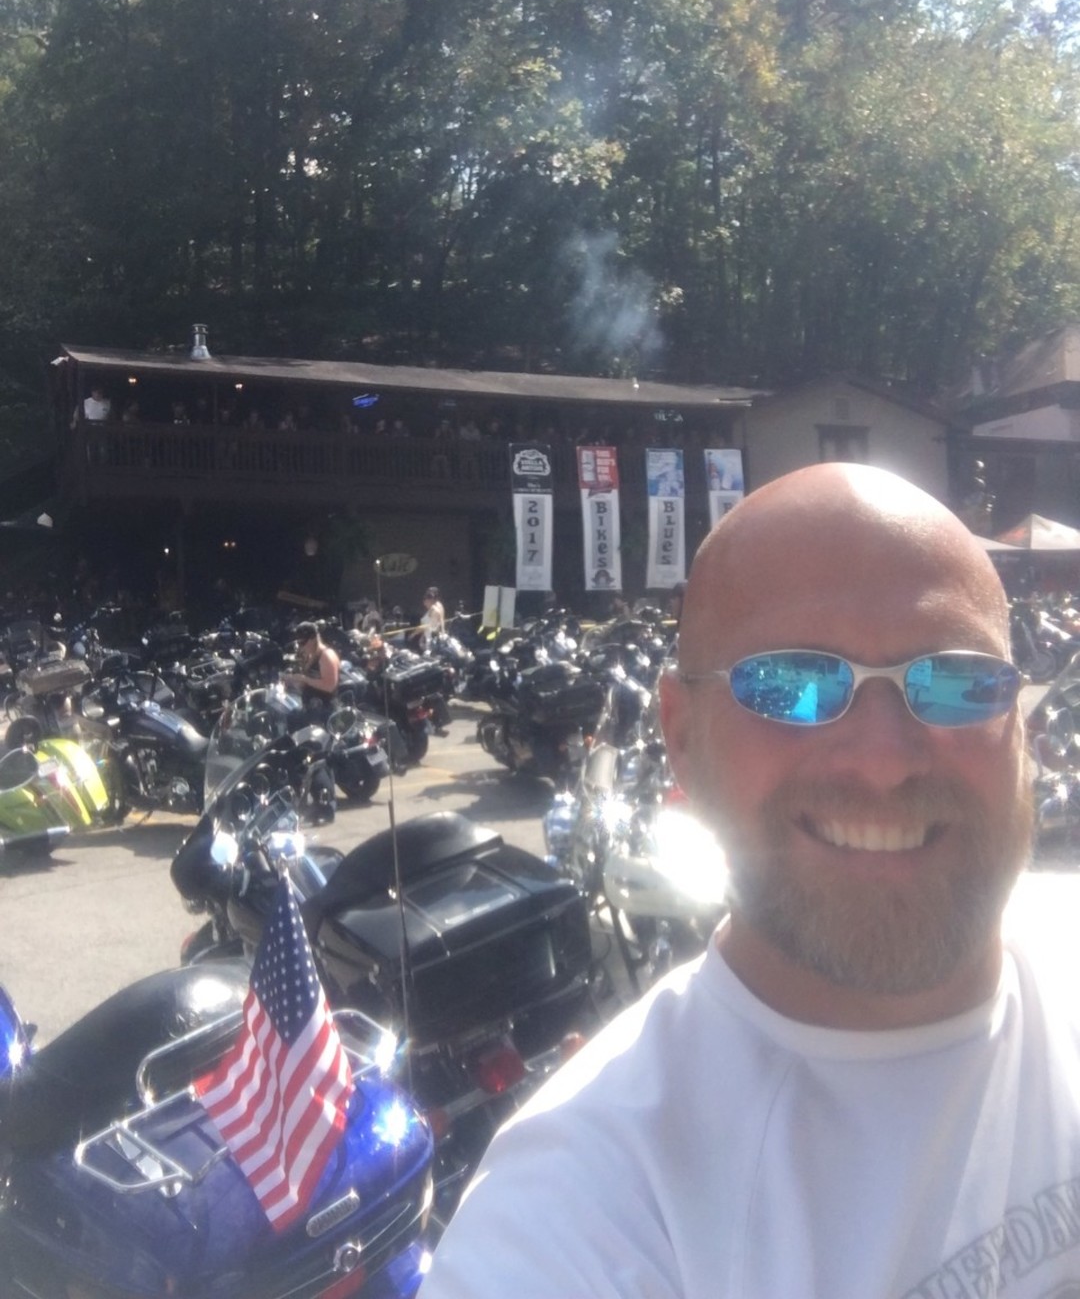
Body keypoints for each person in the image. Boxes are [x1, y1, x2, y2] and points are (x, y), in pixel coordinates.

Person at [419, 462, 1080, 1299]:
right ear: (682, 735)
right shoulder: (583, 1207)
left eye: (956, 682)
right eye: (793, 683)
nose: (883, 761)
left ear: (1017, 721)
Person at [283, 620, 339, 713]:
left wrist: (304, 679)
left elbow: (330, 686)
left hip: (324, 710)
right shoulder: (311, 655)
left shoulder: (326, 655)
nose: (301, 647)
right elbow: (311, 682)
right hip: (311, 707)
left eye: (302, 643)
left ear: (313, 639)